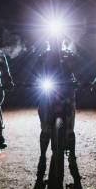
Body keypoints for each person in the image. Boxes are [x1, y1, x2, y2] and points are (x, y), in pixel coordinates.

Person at [35, 38, 78, 179]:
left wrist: (80, 80)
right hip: (48, 91)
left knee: (70, 129)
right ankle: (42, 157)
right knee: (45, 128)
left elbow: (79, 70)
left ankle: (72, 156)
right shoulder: (43, 56)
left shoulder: (69, 55)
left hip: (66, 92)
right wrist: (34, 80)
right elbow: (36, 72)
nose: (55, 42)